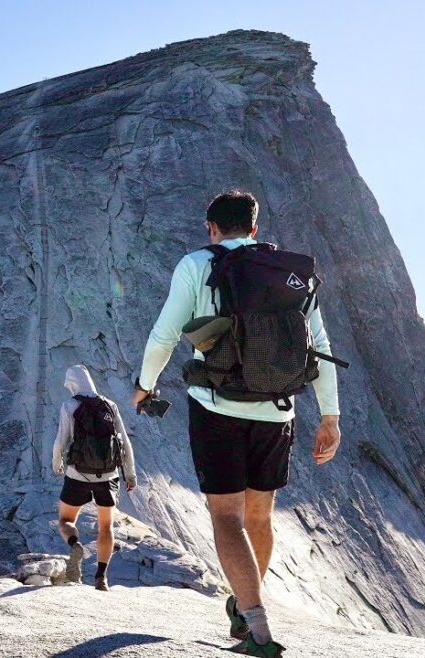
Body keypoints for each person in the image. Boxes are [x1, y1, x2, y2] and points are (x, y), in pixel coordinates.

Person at [132, 190, 342, 657]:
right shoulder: (287, 273)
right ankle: (246, 613)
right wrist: (330, 416)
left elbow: (165, 333)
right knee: (259, 515)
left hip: (217, 406)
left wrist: (145, 385)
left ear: (212, 228)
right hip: (277, 409)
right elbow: (320, 343)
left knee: (226, 517)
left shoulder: (196, 264)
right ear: (254, 227)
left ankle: (260, 633)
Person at [52, 364, 138, 591]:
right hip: (108, 475)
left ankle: (74, 544)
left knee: (65, 521)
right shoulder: (110, 405)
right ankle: (101, 577)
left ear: (72, 383)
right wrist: (130, 474)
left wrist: (57, 463)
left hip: (78, 475)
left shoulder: (70, 406)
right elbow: (124, 442)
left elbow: (62, 440)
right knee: (106, 527)